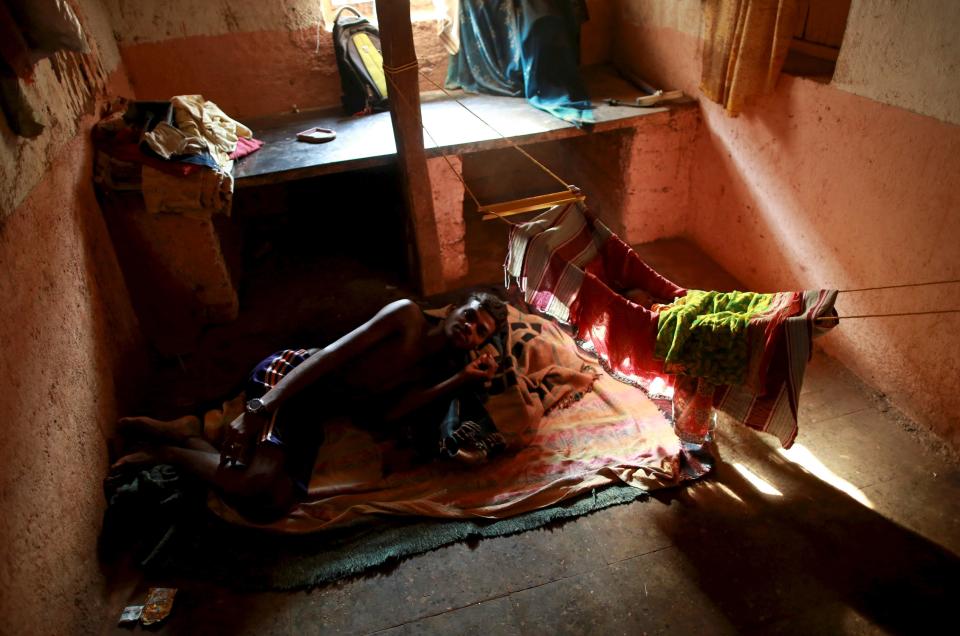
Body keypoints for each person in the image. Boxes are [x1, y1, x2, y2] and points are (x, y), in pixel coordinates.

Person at [113, 292, 509, 522]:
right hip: (293, 376)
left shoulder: (437, 372)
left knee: (272, 505)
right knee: (253, 482)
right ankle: (157, 453)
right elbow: (331, 355)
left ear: (478, 344)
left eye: (480, 331)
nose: (469, 327)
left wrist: (459, 381)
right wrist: (260, 408)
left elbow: (389, 415)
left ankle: (190, 437)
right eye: (470, 315)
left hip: (314, 411)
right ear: (455, 308)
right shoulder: (406, 316)